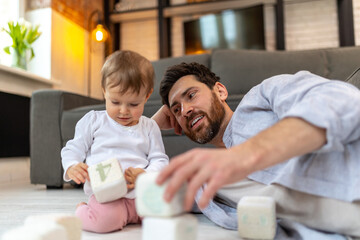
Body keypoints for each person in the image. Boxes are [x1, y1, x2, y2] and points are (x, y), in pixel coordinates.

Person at [152, 62, 360, 237]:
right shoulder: (206, 182)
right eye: (176, 109)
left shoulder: (262, 95)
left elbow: (342, 99)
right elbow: (149, 193)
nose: (185, 110)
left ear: (220, 91)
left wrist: (244, 155)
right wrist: (149, 126)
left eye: (191, 95)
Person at [61, 50, 169, 233]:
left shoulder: (149, 126)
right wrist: (72, 165)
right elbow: (73, 148)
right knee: (104, 222)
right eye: (115, 102)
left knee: (166, 214)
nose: (124, 111)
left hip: (142, 193)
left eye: (134, 104)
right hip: (107, 195)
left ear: (147, 95)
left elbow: (160, 159)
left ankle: (133, 214)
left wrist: (145, 173)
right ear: (104, 91)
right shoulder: (93, 121)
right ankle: (83, 210)